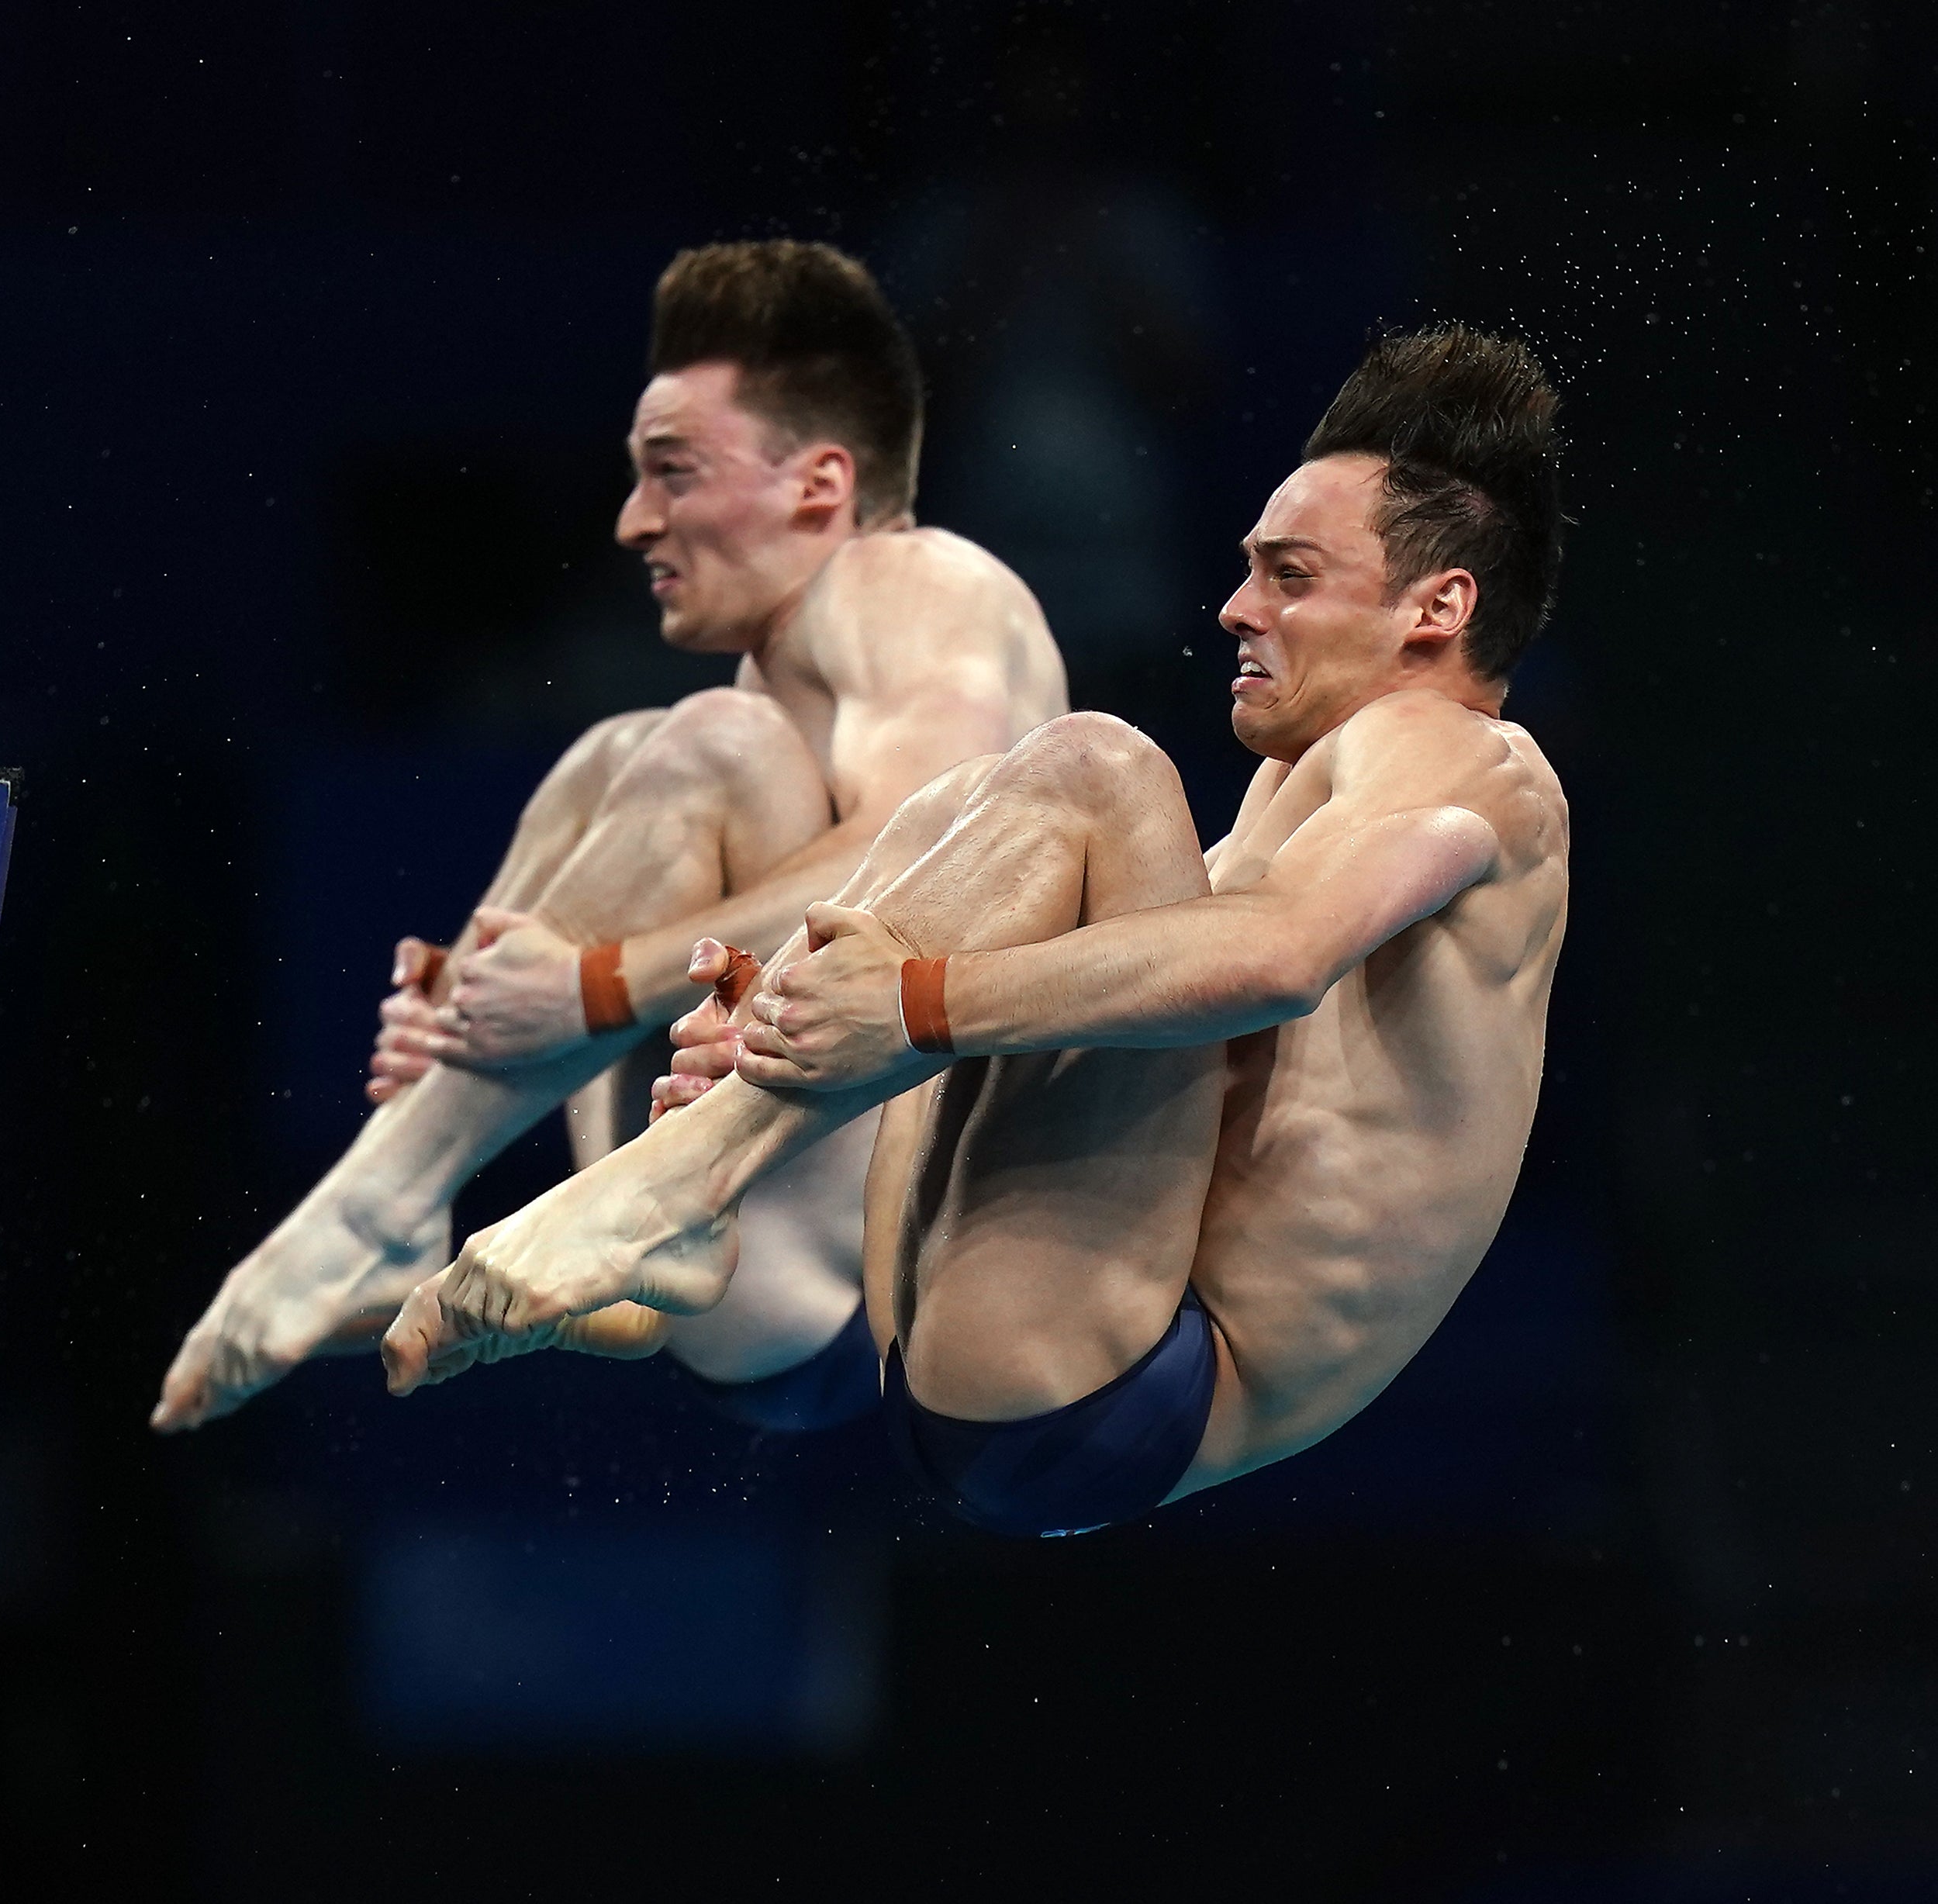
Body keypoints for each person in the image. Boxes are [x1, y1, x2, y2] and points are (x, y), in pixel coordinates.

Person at [380, 323, 1571, 1539]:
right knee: (966, 802)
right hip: (1011, 1360)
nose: (1234, 608)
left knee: (1098, 768)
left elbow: (1276, 963)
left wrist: (905, 1006)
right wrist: (789, 1000)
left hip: (1130, 1378)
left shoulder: (1472, 763)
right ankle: (701, 1169)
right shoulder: (1305, 795)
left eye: (1290, 576)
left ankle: (680, 1187)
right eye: (1249, 569)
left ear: (1441, 606)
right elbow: (1116, 979)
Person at [153, 241, 1068, 1432]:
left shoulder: (922, 583)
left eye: (672, 474)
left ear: (819, 486)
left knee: (711, 744)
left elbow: (916, 869)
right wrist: (465, 1009)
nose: (635, 522)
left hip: (904, 1266)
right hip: (773, 1269)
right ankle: (409, 1175)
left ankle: (388, 1198)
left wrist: (586, 986)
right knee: (619, 752)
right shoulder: (804, 663)